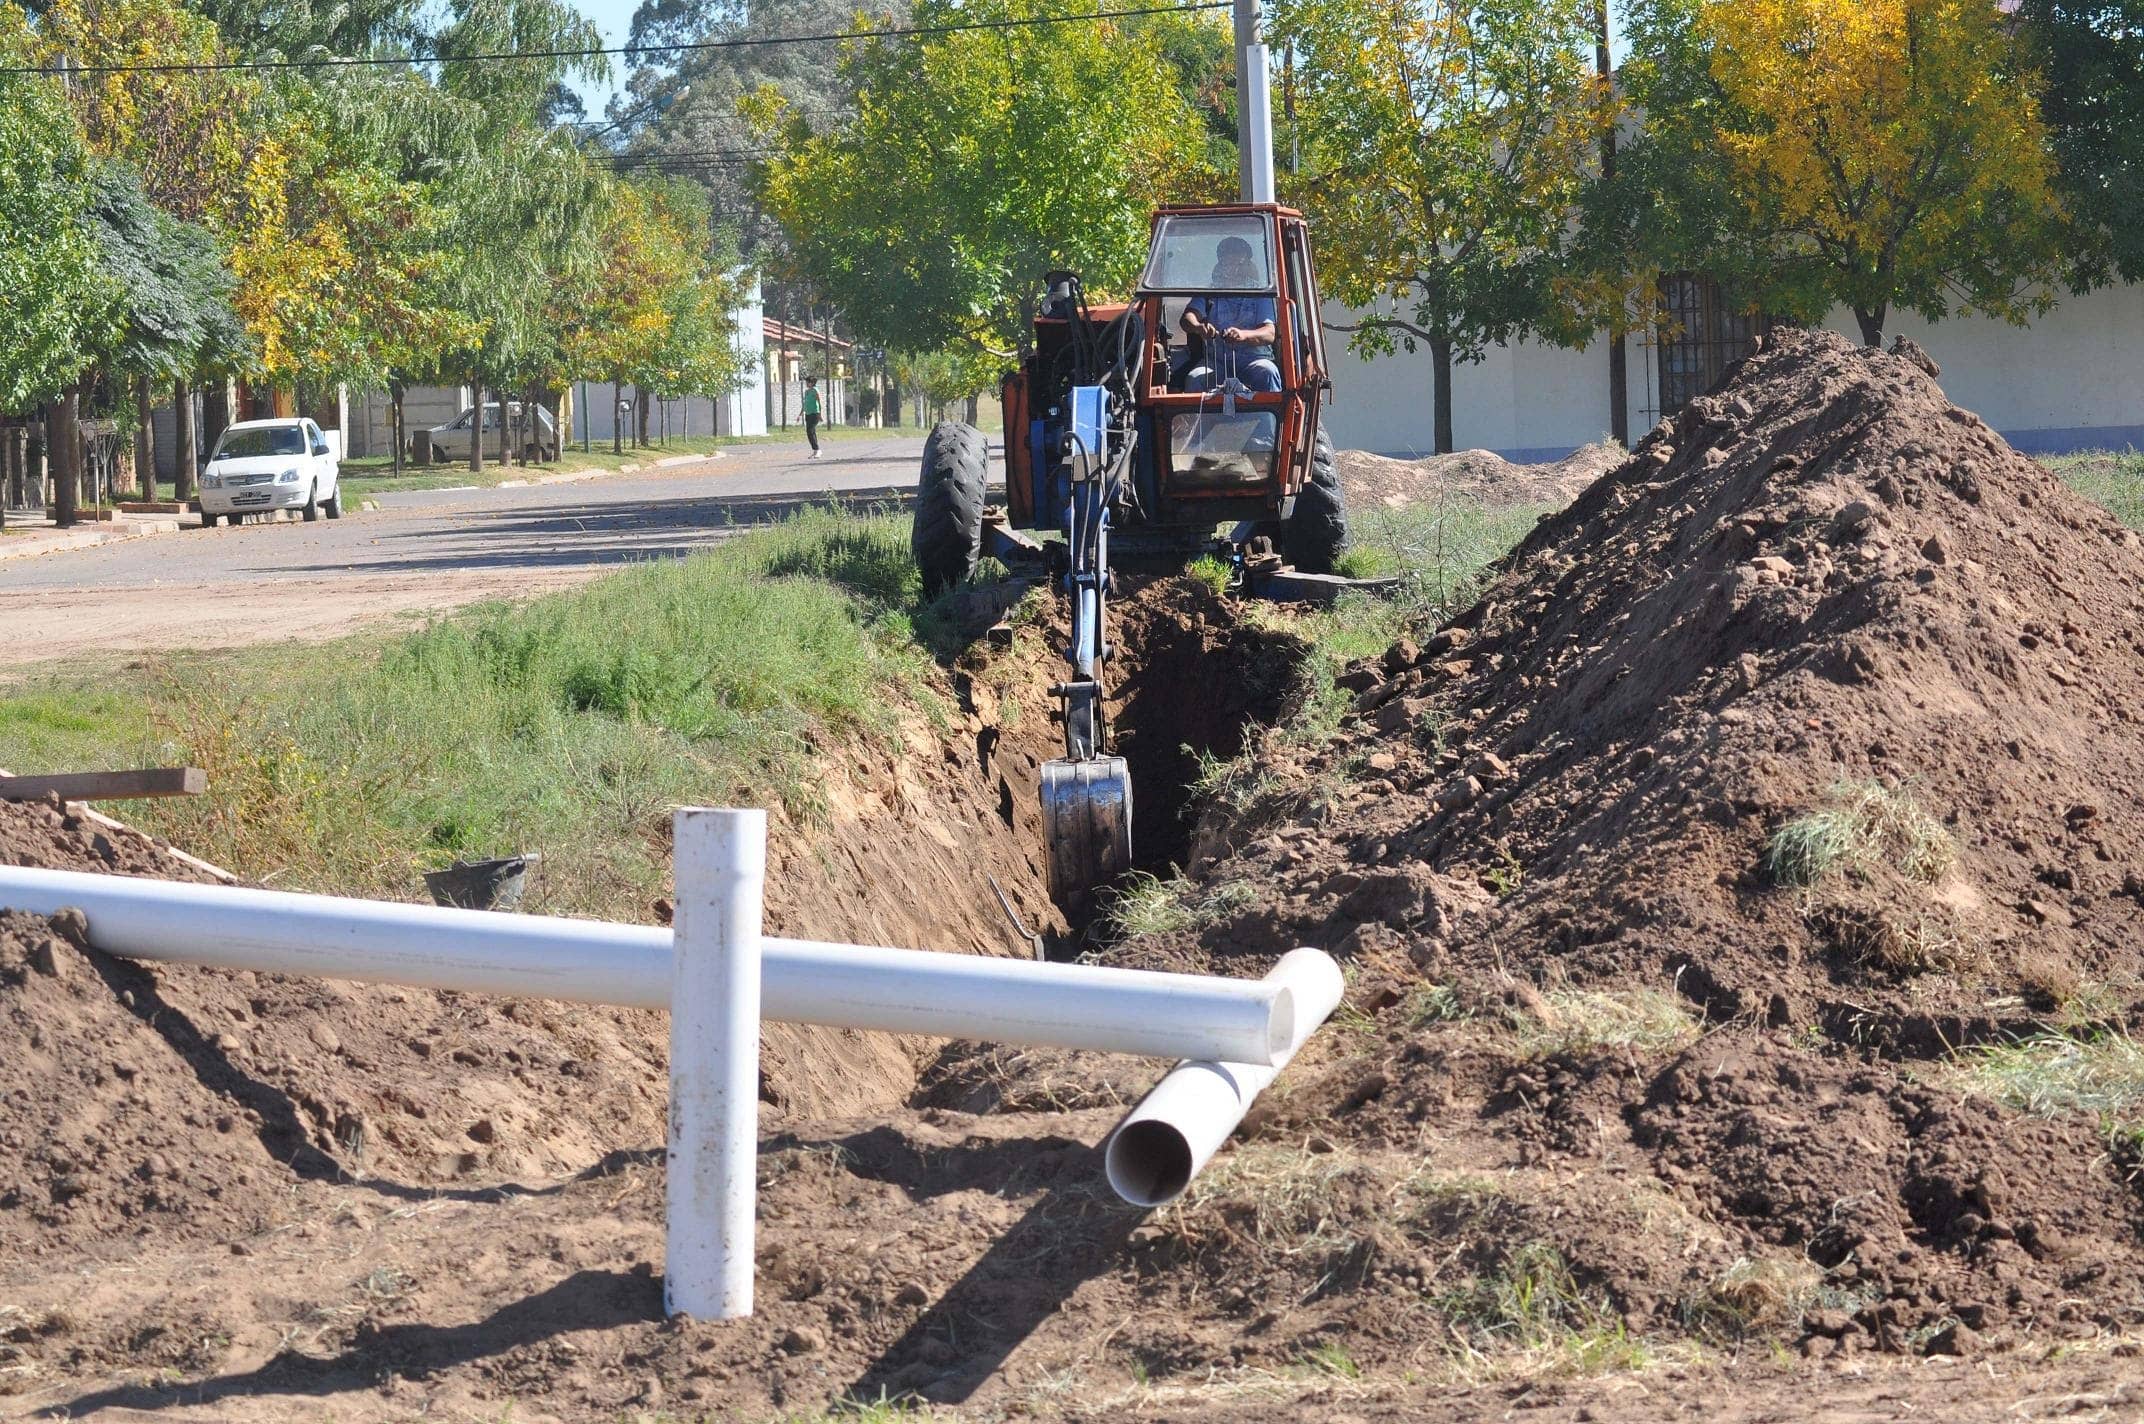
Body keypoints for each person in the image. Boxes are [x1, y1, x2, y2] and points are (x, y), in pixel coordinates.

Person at [1180, 236, 1281, 394]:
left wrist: (1243, 335)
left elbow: (1269, 333)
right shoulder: (1210, 291)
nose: (1232, 266)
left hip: (1253, 360)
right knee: (1195, 378)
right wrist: (1199, 327)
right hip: (1217, 362)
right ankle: (1198, 419)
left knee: (1268, 372)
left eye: (1238, 261)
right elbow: (1188, 318)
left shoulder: (1261, 292)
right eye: (1227, 260)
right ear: (1221, 262)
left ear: (1247, 263)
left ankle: (1272, 419)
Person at [801, 377, 823, 460]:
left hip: (815, 413)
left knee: (810, 430)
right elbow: (805, 403)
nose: (806, 384)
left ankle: (817, 450)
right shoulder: (807, 392)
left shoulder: (815, 390)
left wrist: (820, 414)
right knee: (810, 432)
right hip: (808, 413)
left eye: (808, 382)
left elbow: (819, 402)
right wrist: (801, 413)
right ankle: (815, 450)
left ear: (812, 382)